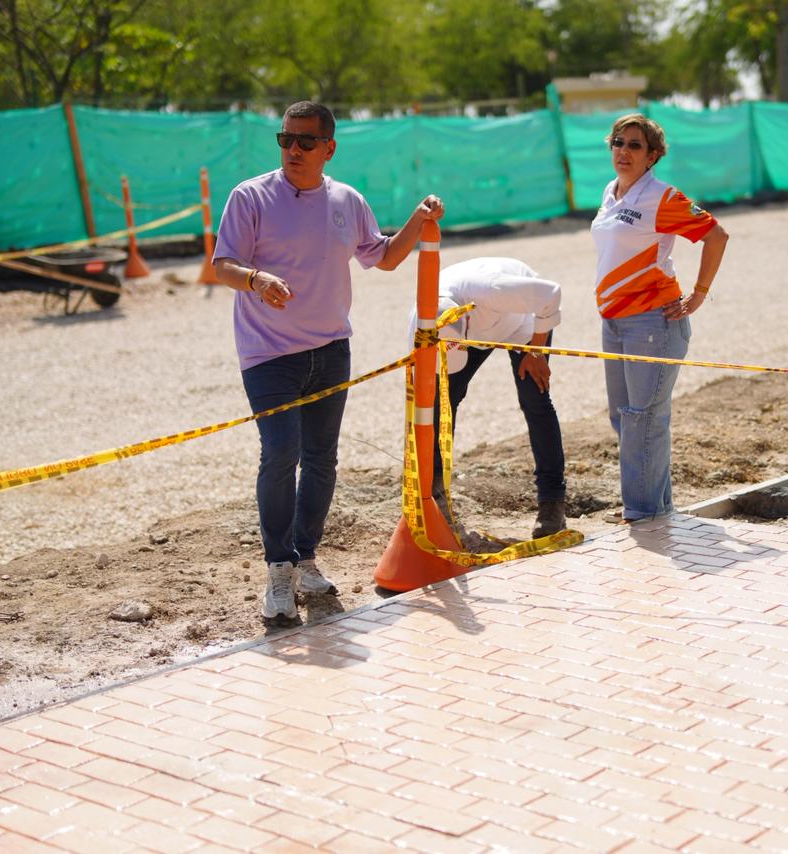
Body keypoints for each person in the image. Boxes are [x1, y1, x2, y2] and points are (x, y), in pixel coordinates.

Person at [213, 100, 444, 623]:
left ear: (328, 148)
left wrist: (419, 218)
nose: (293, 149)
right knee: (280, 455)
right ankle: (277, 570)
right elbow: (222, 263)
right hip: (268, 354)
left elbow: (382, 256)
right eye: (285, 139)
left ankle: (306, 558)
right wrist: (256, 279)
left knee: (321, 459)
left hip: (331, 351)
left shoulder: (346, 199)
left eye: (305, 141)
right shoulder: (249, 196)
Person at [590, 113, 728, 522]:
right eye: (618, 142)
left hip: (652, 323)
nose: (624, 151)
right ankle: (657, 509)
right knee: (626, 419)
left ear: (652, 156)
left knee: (643, 420)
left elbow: (716, 235)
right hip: (613, 323)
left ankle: (642, 514)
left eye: (635, 145)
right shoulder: (611, 192)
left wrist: (698, 294)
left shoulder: (662, 196)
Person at [414, 257, 568, 539]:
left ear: (467, 318)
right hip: (474, 332)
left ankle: (553, 503)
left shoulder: (495, 289)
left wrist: (535, 352)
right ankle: (434, 496)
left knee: (535, 400)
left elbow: (551, 294)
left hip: (522, 323)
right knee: (441, 402)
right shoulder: (424, 317)